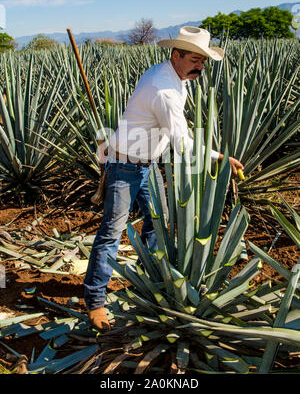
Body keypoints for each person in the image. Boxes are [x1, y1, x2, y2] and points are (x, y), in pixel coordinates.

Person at [83, 26, 244, 331]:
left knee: (158, 220)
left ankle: (147, 278)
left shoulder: (173, 75)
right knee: (112, 232)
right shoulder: (164, 88)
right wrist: (220, 158)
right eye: (195, 58)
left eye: (203, 60)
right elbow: (182, 143)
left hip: (146, 163)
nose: (200, 65)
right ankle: (95, 302)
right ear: (176, 54)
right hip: (124, 164)